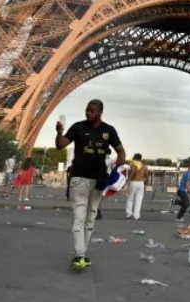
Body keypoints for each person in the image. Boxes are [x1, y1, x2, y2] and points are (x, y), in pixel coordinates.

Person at [55, 99, 125, 272]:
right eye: (87, 110)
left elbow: (121, 151)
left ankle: (82, 254)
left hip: (98, 180)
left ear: (100, 112)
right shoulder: (78, 127)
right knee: (78, 217)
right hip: (79, 178)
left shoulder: (109, 130)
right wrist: (59, 132)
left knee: (90, 219)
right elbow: (60, 145)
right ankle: (80, 254)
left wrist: (118, 165)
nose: (88, 113)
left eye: (92, 111)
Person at [125, 154, 147, 220]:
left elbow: (131, 174)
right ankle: (136, 216)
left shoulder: (133, 165)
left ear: (135, 158)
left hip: (133, 182)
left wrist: (127, 184)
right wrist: (145, 185)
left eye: (133, 158)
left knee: (130, 199)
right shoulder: (144, 166)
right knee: (139, 200)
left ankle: (129, 214)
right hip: (141, 183)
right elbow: (147, 176)